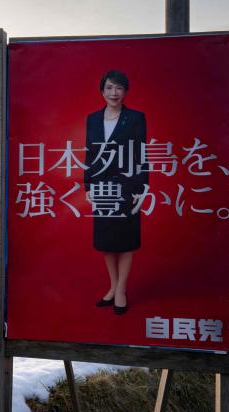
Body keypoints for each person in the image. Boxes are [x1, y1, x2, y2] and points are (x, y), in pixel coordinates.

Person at [84, 70, 148, 315]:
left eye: (119, 88)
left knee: (126, 241)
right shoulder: (92, 119)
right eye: (109, 88)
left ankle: (121, 290)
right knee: (107, 243)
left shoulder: (135, 118)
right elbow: (90, 154)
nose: (114, 93)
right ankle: (112, 287)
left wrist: (142, 187)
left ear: (125, 91)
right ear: (102, 91)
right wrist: (88, 185)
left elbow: (142, 153)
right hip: (101, 186)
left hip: (127, 185)